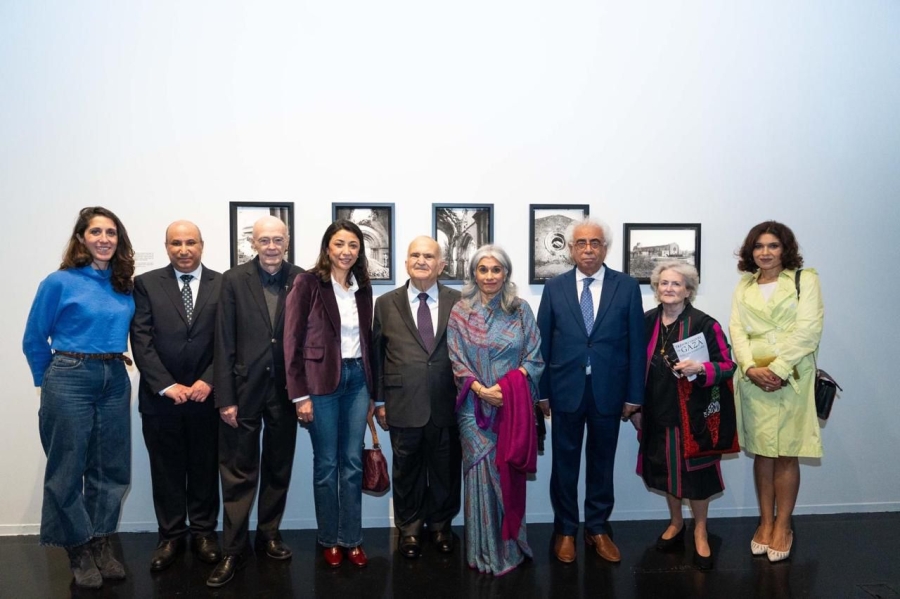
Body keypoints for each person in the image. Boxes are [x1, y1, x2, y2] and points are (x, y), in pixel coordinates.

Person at [23, 207, 135, 589]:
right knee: (68, 467)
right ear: (81, 238)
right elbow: (34, 337)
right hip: (70, 375)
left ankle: (100, 540)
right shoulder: (59, 282)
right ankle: (78, 548)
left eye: (111, 232)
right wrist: (48, 383)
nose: (104, 239)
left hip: (115, 376)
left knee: (111, 467)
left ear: (119, 239)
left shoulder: (123, 284)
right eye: (96, 232)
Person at [536, 217, 645, 564]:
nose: (588, 249)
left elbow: (637, 344)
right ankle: (566, 529)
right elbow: (541, 344)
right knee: (564, 465)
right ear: (571, 249)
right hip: (565, 390)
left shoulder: (626, 287)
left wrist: (634, 395)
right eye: (581, 243)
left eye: (594, 243)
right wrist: (541, 392)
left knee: (602, 464)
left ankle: (597, 528)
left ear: (605, 248)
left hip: (608, 391)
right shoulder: (554, 288)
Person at [209, 215, 304, 587]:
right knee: (238, 473)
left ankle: (269, 535)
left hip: (286, 391)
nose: (271, 246)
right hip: (243, 391)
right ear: (253, 243)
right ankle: (233, 549)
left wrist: (304, 392)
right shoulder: (233, 280)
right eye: (264, 240)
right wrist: (225, 398)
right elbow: (223, 340)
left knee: (279, 468)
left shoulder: (302, 279)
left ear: (287, 241)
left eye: (277, 239)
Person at [130, 221, 222, 572]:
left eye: (190, 242)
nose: (184, 250)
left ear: (202, 245)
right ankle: (170, 536)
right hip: (161, 400)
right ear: (167, 246)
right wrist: (167, 385)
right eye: (176, 243)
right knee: (165, 471)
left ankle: (203, 533)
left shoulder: (223, 283)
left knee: (204, 468)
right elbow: (141, 339)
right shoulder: (146, 284)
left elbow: (230, 339)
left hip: (206, 397)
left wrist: (209, 380)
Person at [729, 221, 823, 563]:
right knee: (762, 450)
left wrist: (778, 370)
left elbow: (809, 330)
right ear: (750, 251)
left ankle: (783, 525)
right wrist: (749, 368)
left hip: (793, 374)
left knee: (786, 451)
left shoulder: (804, 279)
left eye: (773, 245)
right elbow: (736, 329)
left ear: (785, 248)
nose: (765, 252)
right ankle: (765, 522)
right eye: (759, 246)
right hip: (753, 375)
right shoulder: (745, 284)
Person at [447, 245, 544, 576]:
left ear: (506, 273)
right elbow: (456, 359)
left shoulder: (520, 310)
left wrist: (507, 389)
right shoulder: (461, 311)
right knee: (479, 475)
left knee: (507, 475)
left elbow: (535, 357)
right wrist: (480, 390)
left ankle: (511, 547)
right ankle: (482, 550)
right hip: (472, 409)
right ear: (474, 274)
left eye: (496, 269)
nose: (489, 276)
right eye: (483, 269)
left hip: (511, 407)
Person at [284, 219, 375, 569]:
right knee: (326, 464)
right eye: (339, 244)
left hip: (357, 380)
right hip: (319, 383)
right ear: (327, 248)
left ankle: (352, 539)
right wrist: (299, 395)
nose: (346, 251)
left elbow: (367, 340)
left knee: (352, 462)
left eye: (353, 245)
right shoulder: (308, 282)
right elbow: (292, 340)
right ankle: (329, 539)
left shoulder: (362, 287)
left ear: (359, 251)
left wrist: (374, 392)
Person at [638, 261, 736, 570]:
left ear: (688, 290)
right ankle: (676, 522)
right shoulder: (646, 321)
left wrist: (701, 368)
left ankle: (701, 530)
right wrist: (634, 408)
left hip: (693, 417)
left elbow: (728, 366)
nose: (669, 288)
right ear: (657, 289)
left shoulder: (705, 324)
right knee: (666, 471)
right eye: (664, 283)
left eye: (676, 284)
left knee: (697, 476)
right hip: (656, 412)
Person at [372, 236, 462, 559]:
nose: (421, 261)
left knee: (445, 469)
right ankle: (409, 529)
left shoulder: (459, 301)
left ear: (442, 265)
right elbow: (377, 354)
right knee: (406, 469)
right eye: (415, 255)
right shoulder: (385, 303)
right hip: (402, 400)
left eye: (429, 256)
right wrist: (379, 401)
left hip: (447, 401)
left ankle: (440, 526)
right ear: (406, 262)